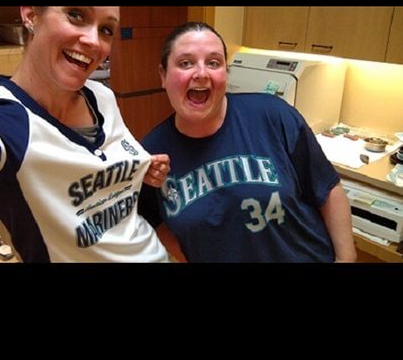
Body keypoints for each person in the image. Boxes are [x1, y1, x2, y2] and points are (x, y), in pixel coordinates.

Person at [0, 6, 171, 263]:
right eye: (76, 15)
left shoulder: (102, 97)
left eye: (106, 30)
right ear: (31, 14)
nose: (93, 40)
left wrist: (135, 170)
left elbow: (94, 167)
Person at [138, 22, 357, 263]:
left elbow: (328, 189)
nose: (201, 73)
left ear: (226, 72)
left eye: (213, 63)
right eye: (185, 63)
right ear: (163, 75)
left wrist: (346, 259)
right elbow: (151, 218)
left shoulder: (273, 116)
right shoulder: (151, 154)